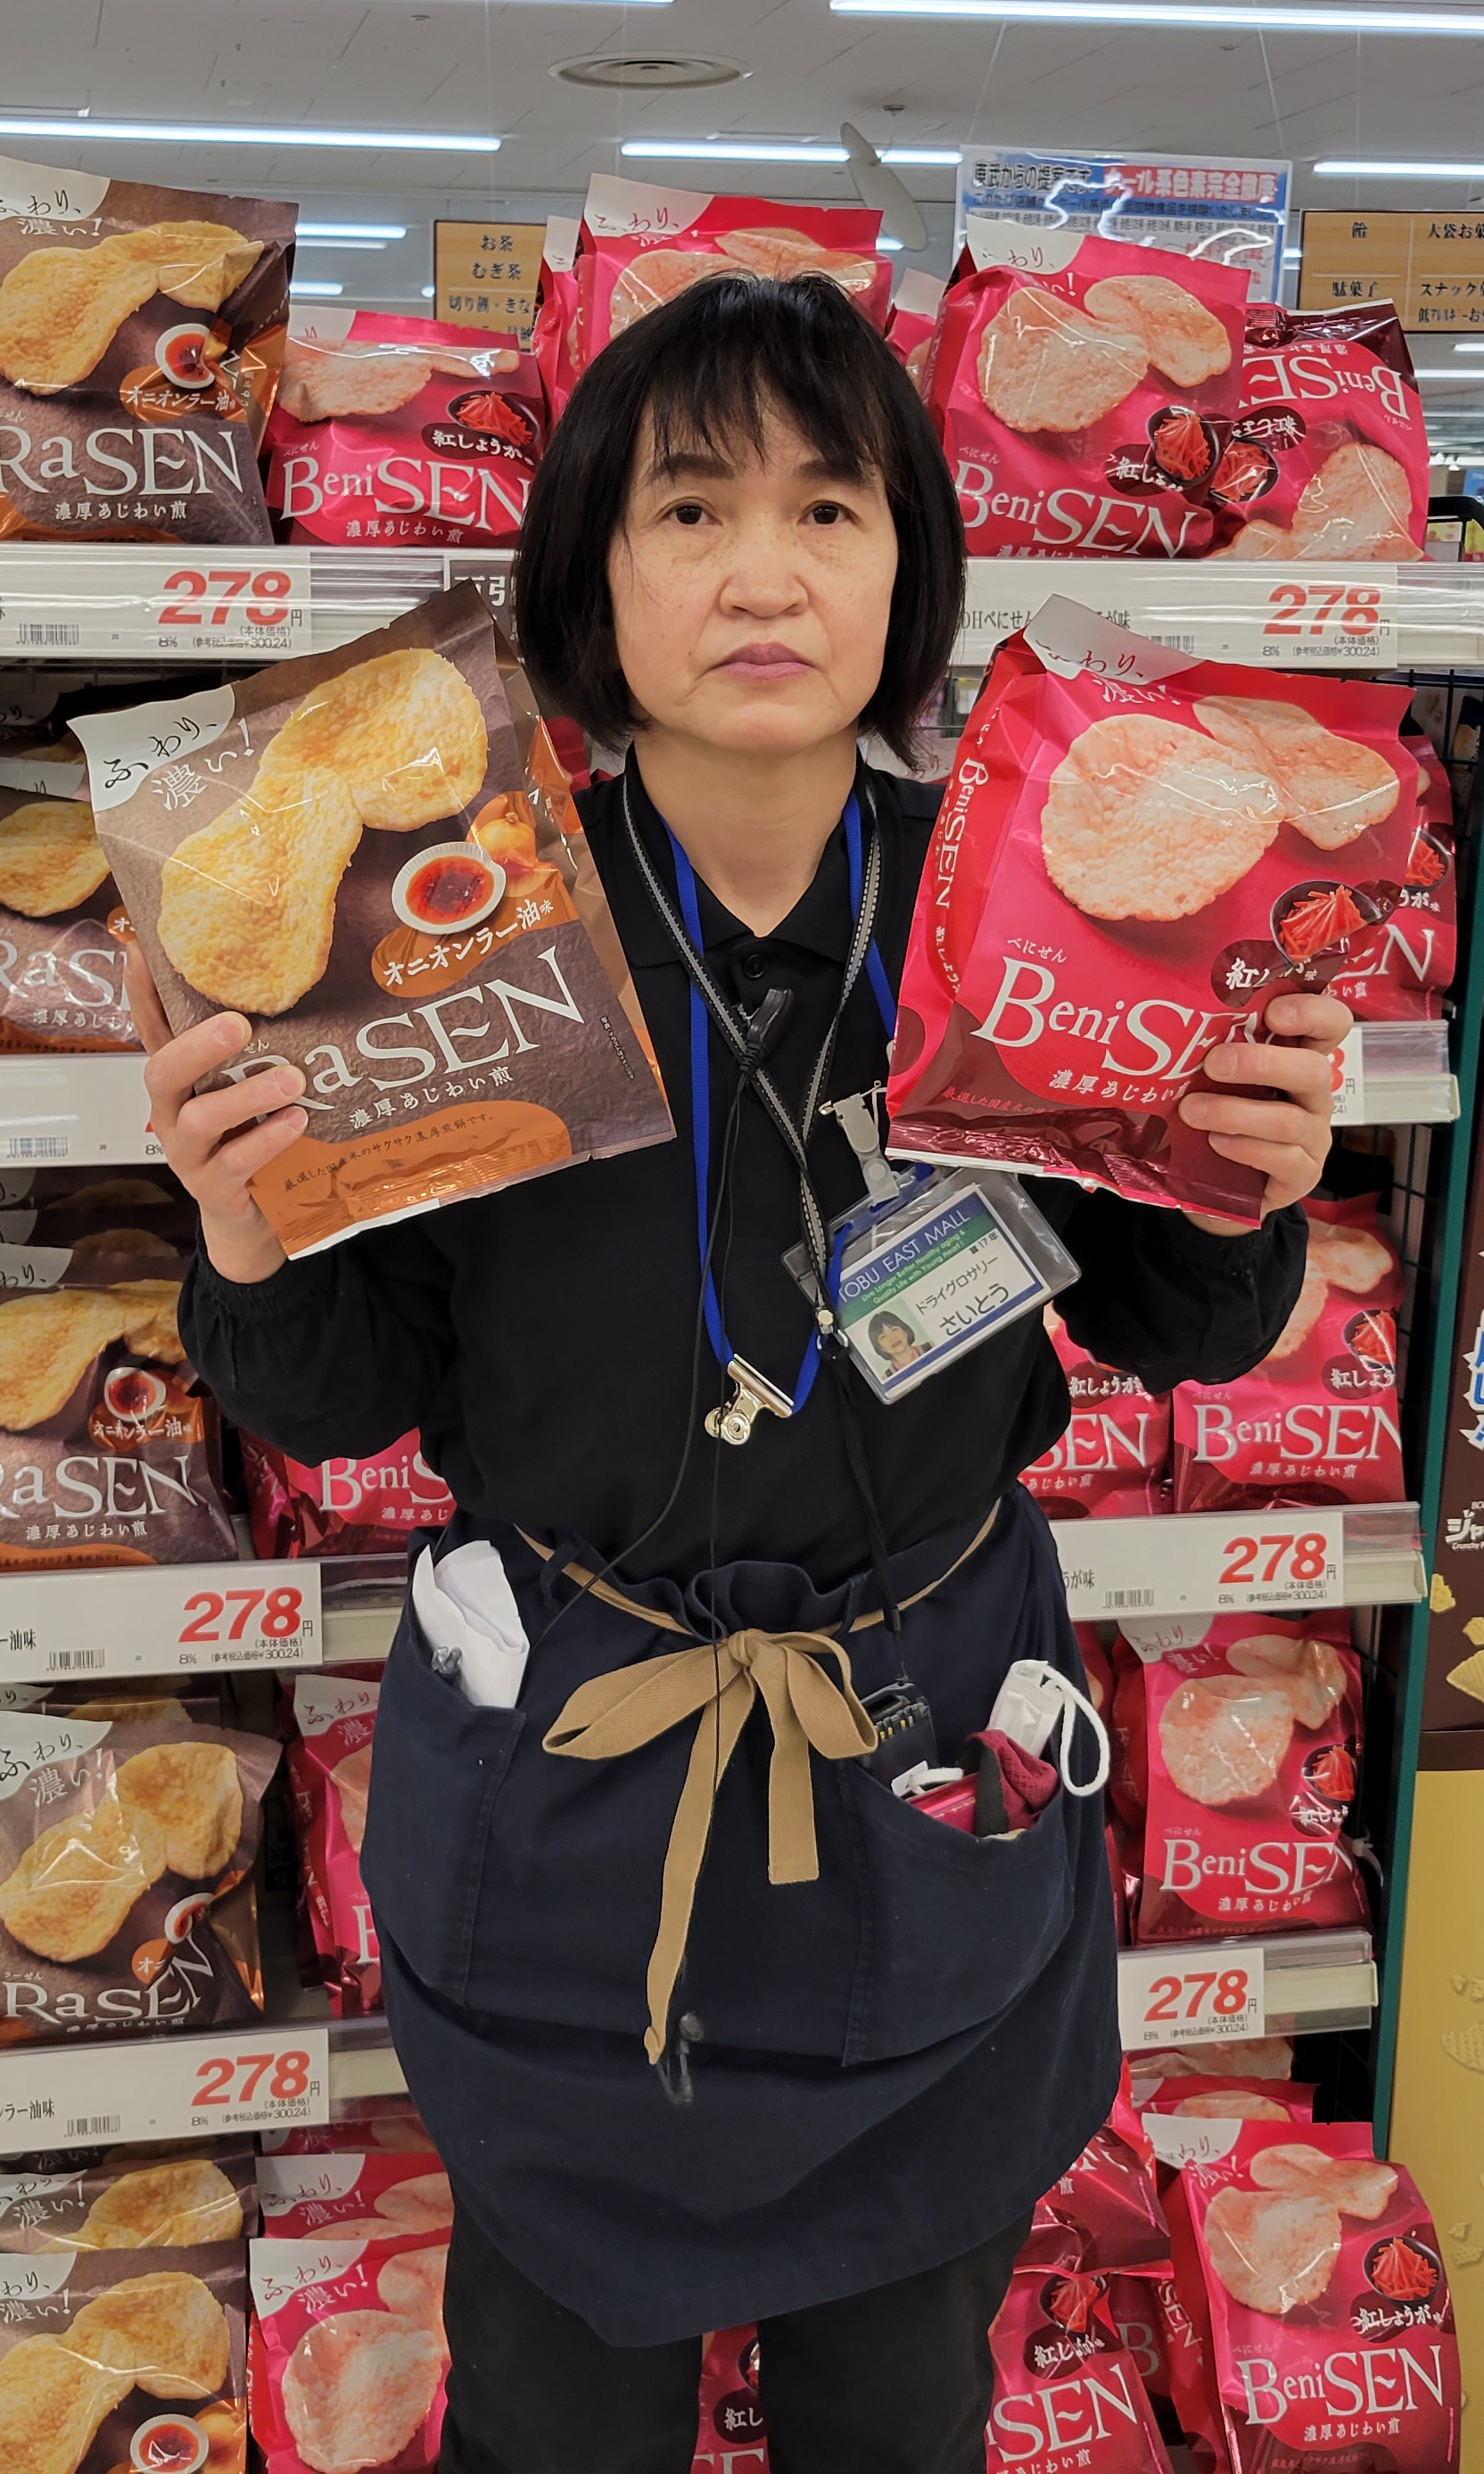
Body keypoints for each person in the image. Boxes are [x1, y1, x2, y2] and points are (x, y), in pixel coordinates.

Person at [132, 273, 1345, 2474]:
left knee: (902, 2412)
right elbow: (338, 1398)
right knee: (555, 2418)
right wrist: (241, 1223)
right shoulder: (452, 926)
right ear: (594, 575)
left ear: (909, 570)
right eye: (690, 511)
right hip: (573, 1807)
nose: (764, 573)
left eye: (828, 508)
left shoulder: (1028, 907)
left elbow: (1175, 1328)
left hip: (933, 1774)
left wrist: (1245, 1180)